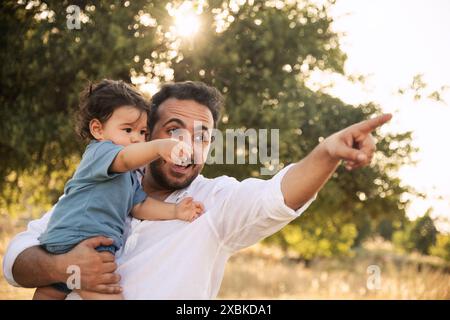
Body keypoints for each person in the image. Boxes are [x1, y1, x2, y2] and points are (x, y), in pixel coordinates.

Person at [3, 81, 392, 299]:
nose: (187, 145)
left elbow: (277, 196)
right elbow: (17, 261)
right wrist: (64, 268)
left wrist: (326, 153)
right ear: (145, 135)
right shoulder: (100, 186)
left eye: (202, 137)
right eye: (173, 131)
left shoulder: (215, 203)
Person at [33, 80, 204, 300]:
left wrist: (175, 211)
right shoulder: (101, 151)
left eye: (143, 132)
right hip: (82, 240)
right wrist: (160, 146)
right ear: (98, 130)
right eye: (127, 129)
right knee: (106, 291)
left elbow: (140, 206)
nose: (136, 138)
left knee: (52, 290)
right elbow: (125, 159)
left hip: (69, 240)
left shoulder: (129, 177)